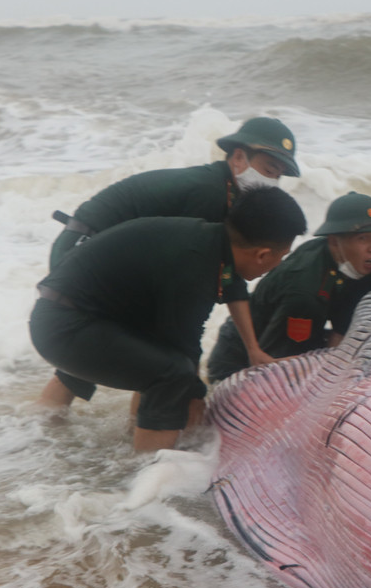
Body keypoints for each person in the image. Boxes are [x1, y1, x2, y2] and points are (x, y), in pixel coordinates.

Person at [29, 187, 307, 451]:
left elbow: (234, 289)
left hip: (79, 317)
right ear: (262, 255)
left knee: (171, 371)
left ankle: (123, 439)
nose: (278, 265)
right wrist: (196, 397)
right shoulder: (195, 263)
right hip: (63, 326)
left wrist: (254, 351)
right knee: (174, 376)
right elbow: (182, 345)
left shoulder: (212, 241)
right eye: (281, 257)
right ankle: (147, 475)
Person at [49, 115, 300, 367]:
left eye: (277, 176)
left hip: (98, 255)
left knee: (133, 342)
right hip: (82, 245)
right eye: (268, 170)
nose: (272, 182)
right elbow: (192, 275)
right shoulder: (210, 193)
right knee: (145, 341)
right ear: (237, 157)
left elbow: (229, 276)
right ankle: (139, 405)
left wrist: (253, 350)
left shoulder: (229, 195)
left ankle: (54, 406)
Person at [206, 192, 371, 383]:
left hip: (274, 340)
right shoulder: (305, 293)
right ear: (335, 241)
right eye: (363, 239)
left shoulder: (332, 256)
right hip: (237, 366)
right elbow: (275, 366)